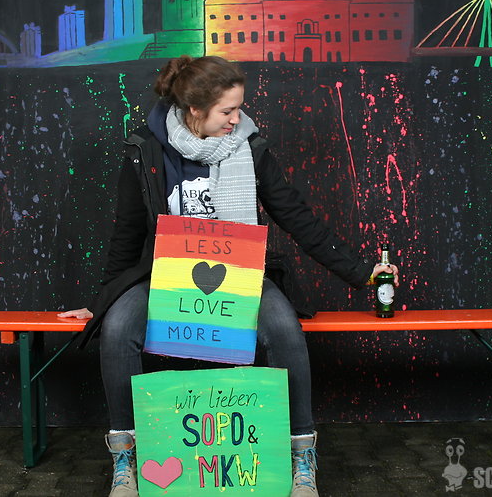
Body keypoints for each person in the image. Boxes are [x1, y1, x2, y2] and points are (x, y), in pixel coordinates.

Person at [59, 55, 400, 497]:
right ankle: (126, 456)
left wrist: (363, 272)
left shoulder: (250, 147)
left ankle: (301, 454)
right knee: (119, 325)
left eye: (239, 108)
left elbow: (297, 218)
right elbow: (127, 233)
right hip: (164, 274)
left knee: (285, 329)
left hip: (240, 272)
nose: (237, 119)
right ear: (194, 110)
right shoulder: (145, 149)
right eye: (227, 111)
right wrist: (103, 302)